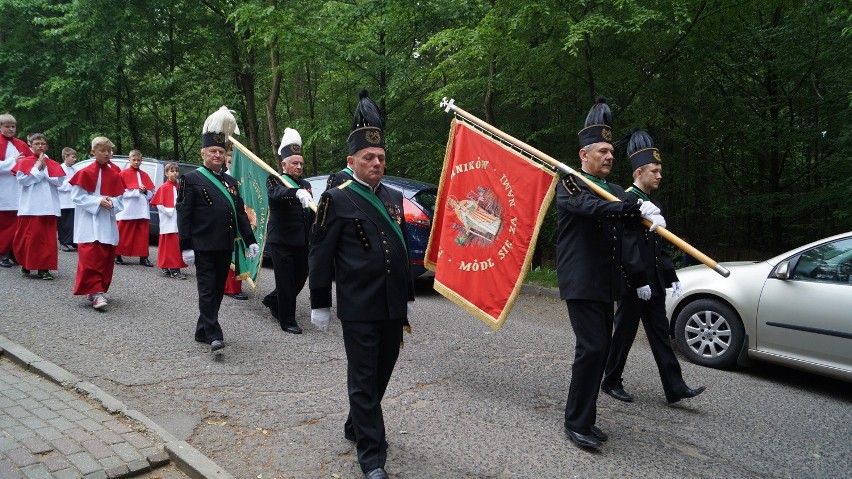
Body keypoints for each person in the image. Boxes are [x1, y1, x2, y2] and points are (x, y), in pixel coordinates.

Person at [308, 90, 414, 479]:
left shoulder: (393, 199)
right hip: (357, 305)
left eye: (381, 158)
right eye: (369, 158)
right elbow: (319, 254)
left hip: (390, 304)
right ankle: (372, 455)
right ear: (351, 161)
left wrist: (408, 294)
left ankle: (356, 425)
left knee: (383, 371)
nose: (377, 163)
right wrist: (320, 302)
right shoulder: (336, 199)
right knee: (363, 377)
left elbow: (400, 249)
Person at [555, 97, 664, 450]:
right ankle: (576, 422)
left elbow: (629, 223)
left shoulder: (616, 190)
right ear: (583, 154)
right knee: (593, 348)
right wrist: (631, 208)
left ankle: (586, 418)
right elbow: (594, 209)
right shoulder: (570, 183)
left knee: (599, 353)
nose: (609, 156)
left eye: (611, 152)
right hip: (581, 281)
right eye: (601, 151)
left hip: (607, 285)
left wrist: (651, 219)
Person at [602, 129, 705, 404]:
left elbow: (659, 245)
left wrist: (670, 275)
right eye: (654, 171)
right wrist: (638, 280)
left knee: (660, 334)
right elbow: (627, 246)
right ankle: (611, 380)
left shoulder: (654, 204)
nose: (660, 175)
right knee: (624, 334)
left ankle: (675, 387)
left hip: (654, 283)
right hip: (633, 283)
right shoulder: (623, 201)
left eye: (660, 171)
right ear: (638, 173)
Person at [177, 106, 259, 352]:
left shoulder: (231, 182)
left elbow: (240, 214)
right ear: (203, 153)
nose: (217, 155)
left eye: (221, 151)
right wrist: (185, 246)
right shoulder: (190, 179)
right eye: (212, 151)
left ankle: (202, 330)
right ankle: (214, 333)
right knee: (206, 289)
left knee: (216, 290)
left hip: (225, 245)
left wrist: (250, 240)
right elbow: (184, 214)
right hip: (202, 245)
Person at [262, 127, 314, 334]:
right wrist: (295, 193)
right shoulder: (275, 179)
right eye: (295, 163)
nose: (299, 166)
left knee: (300, 279)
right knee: (285, 281)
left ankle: (273, 301)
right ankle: (287, 320)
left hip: (302, 241)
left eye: (301, 163)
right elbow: (276, 194)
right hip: (282, 240)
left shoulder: (307, 184)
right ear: (284, 164)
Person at [69, 137, 126, 310]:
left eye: (109, 151)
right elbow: (77, 197)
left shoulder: (115, 172)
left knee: (106, 257)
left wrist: (113, 203)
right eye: (103, 150)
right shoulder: (85, 172)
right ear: (93, 152)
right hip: (89, 221)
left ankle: (99, 288)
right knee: (91, 257)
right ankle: (95, 292)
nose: (107, 154)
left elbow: (120, 199)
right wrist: (98, 201)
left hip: (106, 221)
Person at [12, 133, 65, 280]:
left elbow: (60, 181)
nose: (40, 146)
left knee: (47, 241)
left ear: (46, 146)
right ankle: (26, 263)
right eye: (36, 144)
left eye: (42, 143)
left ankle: (44, 268)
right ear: (30, 145)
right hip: (30, 206)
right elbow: (23, 181)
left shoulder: (52, 163)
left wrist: (43, 170)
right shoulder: (24, 162)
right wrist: (37, 168)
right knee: (30, 238)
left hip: (48, 206)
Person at [115, 149, 154, 266]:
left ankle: (143, 257)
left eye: (138, 160)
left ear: (141, 161)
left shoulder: (145, 175)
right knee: (123, 233)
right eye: (134, 160)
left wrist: (145, 191)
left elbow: (151, 193)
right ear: (129, 160)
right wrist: (137, 191)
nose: (136, 162)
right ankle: (118, 255)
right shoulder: (123, 174)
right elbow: (119, 192)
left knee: (142, 235)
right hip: (128, 209)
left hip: (142, 209)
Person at [0, 113, 28, 268]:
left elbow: (31, 161)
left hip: (19, 190)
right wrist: (13, 162)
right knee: (4, 224)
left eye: (13, 126)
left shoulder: (21, 144)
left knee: (18, 225)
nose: (11, 129)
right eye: (7, 126)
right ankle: (2, 253)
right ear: (1, 127)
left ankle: (13, 253)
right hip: (4, 190)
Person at [150, 162, 187, 279]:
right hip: (169, 220)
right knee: (170, 246)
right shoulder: (163, 187)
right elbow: (158, 204)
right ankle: (174, 269)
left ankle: (168, 266)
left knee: (175, 245)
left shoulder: (180, 187)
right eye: (172, 171)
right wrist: (170, 210)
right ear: (166, 173)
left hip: (178, 221)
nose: (175, 173)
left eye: (176, 170)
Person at [222, 152, 247, 300]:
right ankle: (229, 288)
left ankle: (233, 287)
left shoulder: (240, 179)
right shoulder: (224, 179)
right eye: (230, 161)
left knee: (238, 255)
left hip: (239, 221)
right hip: (226, 224)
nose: (232, 164)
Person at [57, 147, 78, 252]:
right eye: (73, 157)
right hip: (64, 201)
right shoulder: (60, 168)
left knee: (73, 222)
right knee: (64, 223)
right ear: (66, 157)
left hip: (73, 201)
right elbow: (59, 185)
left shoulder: (74, 169)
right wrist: (71, 183)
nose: (75, 159)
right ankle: (63, 242)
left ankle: (73, 240)